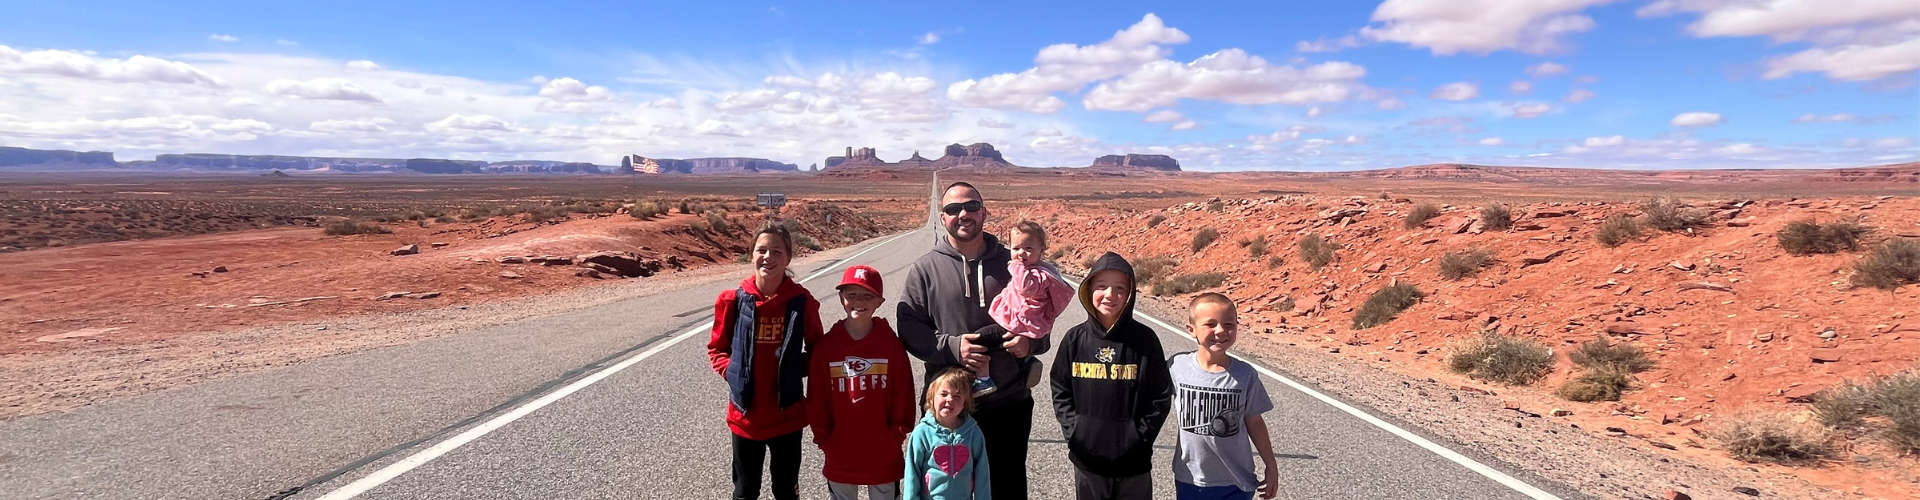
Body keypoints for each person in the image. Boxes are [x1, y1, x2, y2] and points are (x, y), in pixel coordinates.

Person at [898, 181, 1044, 498]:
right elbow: (909, 326)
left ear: (984, 212)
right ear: (943, 217)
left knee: (1007, 486)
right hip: (949, 410)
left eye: (971, 206)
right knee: (946, 491)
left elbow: (1043, 316)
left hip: (1008, 402)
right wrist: (953, 347)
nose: (963, 214)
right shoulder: (926, 268)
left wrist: (1029, 344)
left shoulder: (1014, 264)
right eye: (953, 209)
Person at [706, 223, 824, 500]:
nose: (768, 257)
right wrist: (733, 372)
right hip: (745, 418)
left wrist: (796, 370)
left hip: (788, 416)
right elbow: (717, 348)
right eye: (761, 250)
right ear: (751, 254)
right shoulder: (732, 300)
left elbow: (819, 350)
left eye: (776, 251)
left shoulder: (802, 302)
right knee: (745, 490)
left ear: (788, 258)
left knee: (785, 489)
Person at [1049, 252, 1173, 500]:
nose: (1110, 295)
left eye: (1119, 288)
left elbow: (1160, 395)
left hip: (1133, 462)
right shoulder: (1075, 339)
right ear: (1088, 289)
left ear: (1130, 293)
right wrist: (1076, 433)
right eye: (1101, 286)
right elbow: (1060, 388)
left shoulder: (1145, 340)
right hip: (1088, 459)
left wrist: (1140, 437)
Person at [809, 265, 916, 500]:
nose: (859, 301)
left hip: (883, 456)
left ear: (879, 301)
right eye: (851, 295)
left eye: (868, 295)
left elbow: (904, 395)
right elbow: (817, 399)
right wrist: (825, 438)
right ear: (841, 298)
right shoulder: (827, 348)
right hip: (840, 454)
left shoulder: (891, 345)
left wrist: (895, 436)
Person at [1169, 293, 1279, 500]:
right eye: (1210, 324)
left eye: (1229, 324)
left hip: (1236, 480)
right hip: (1191, 478)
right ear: (1191, 330)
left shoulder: (1245, 374)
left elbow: (1254, 422)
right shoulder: (1176, 367)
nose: (1220, 331)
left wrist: (1271, 466)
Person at [980, 220, 1076, 395]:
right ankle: (1025, 366)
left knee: (981, 340)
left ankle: (984, 379)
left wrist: (1016, 267)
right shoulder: (1029, 270)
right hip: (1018, 318)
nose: (1021, 253)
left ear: (1042, 249)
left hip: (1021, 320)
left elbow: (1025, 289)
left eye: (1028, 248)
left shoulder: (1039, 274)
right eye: (1016, 249)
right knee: (1002, 348)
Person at [904, 367, 991, 500]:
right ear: (931, 397)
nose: (950, 400)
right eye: (943, 394)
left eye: (957, 396)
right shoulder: (922, 433)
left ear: (964, 404)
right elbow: (912, 472)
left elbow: (982, 473)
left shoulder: (973, 433)